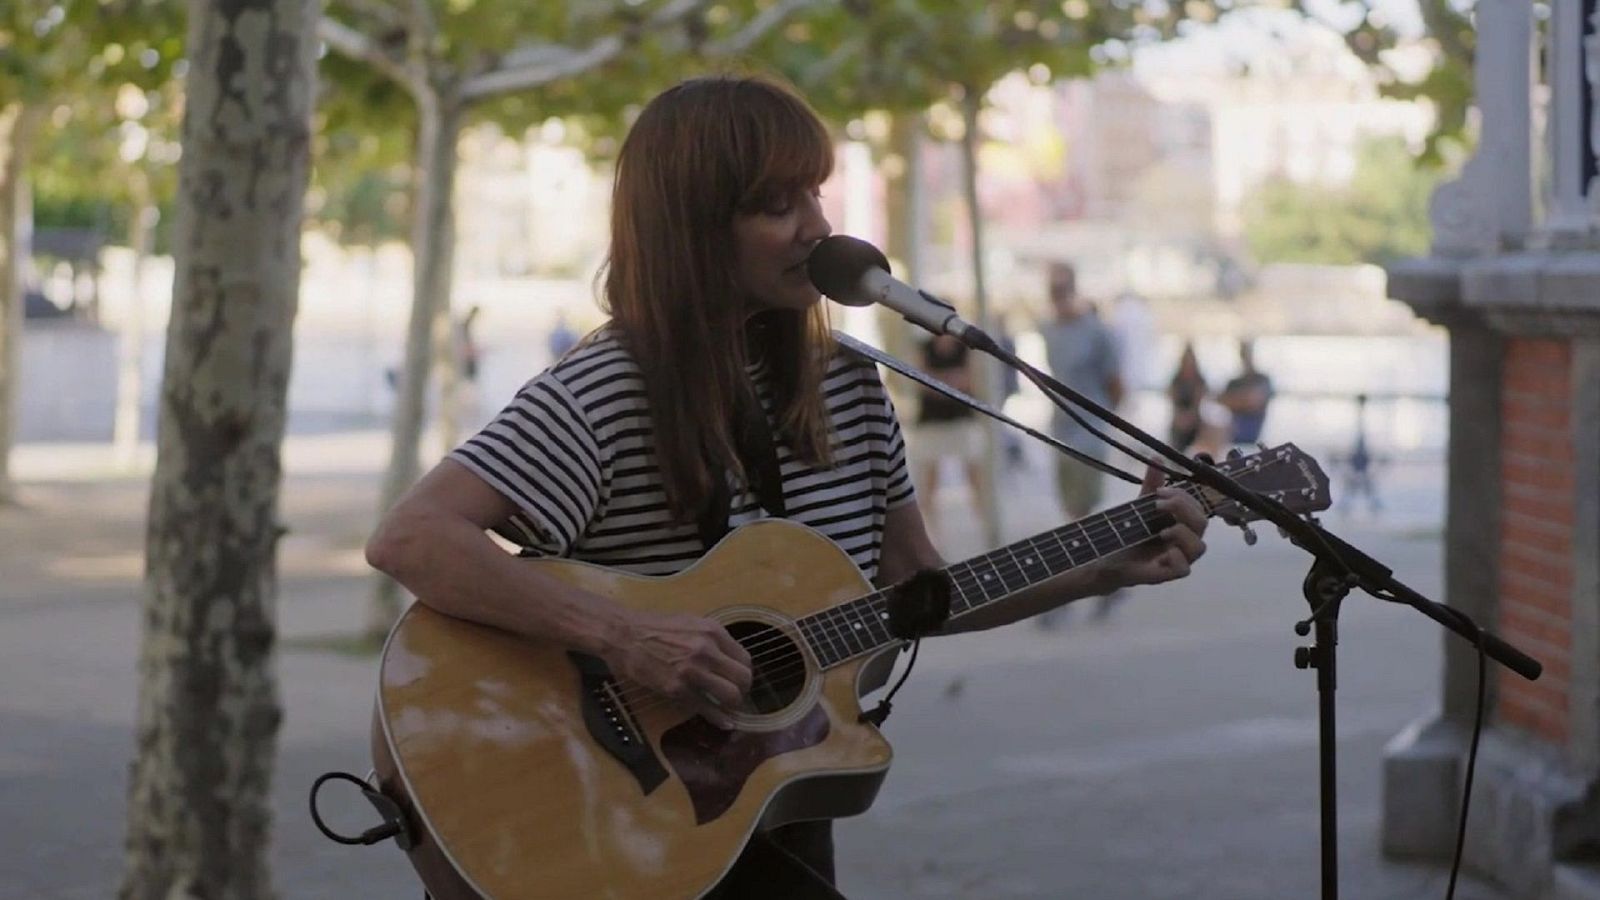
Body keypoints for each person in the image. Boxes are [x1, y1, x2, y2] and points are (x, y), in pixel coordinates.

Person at [364, 73, 1209, 899]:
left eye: (816, 194)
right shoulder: (607, 390)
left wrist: (1106, 562)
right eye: (777, 206)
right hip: (617, 805)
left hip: (769, 791)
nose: (817, 228)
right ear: (693, 230)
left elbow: (919, 592)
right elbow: (413, 537)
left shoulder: (845, 384)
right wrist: (626, 637)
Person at [1038, 262, 1125, 623]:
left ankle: (1070, 592)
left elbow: (1116, 383)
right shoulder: (1049, 331)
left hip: (1089, 433)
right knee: (1077, 516)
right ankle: (1107, 579)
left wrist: (1102, 422)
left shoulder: (1096, 333)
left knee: (1077, 516)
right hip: (1061, 431)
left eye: (1061, 290)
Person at [911, 332, 988, 524]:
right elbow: (920, 380)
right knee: (929, 479)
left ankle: (984, 523)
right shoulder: (924, 347)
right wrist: (950, 381)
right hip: (932, 421)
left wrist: (938, 381)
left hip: (961, 419)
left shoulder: (965, 347)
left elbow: (971, 379)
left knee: (975, 475)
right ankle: (930, 529)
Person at [1218, 339, 1273, 445]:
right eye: (1243, 352)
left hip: (1252, 435)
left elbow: (1253, 401)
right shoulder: (1233, 382)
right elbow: (1221, 400)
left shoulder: (1262, 379)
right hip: (1230, 435)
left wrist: (1235, 400)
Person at [1167, 340, 1208, 452]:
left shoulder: (1199, 381)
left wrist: (1189, 418)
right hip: (1178, 420)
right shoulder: (1176, 381)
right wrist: (1180, 418)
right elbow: (1173, 403)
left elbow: (1197, 405)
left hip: (1194, 421)